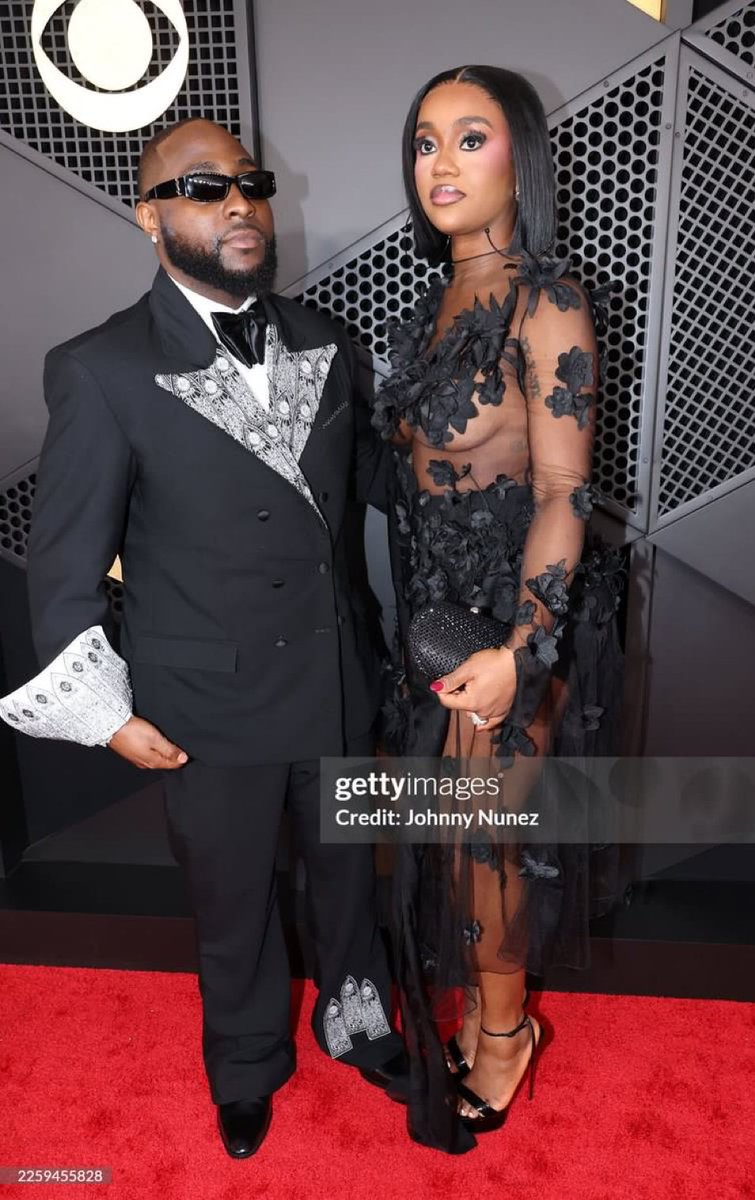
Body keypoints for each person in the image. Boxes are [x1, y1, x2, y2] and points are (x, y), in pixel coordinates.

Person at [0, 117, 409, 1160]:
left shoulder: (327, 340)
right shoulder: (99, 368)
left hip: (335, 676)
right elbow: (65, 561)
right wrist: (105, 715)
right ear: (151, 218)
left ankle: (358, 1025)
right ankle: (244, 1063)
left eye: (249, 183)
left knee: (352, 879)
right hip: (205, 700)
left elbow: (376, 490)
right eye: (200, 188)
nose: (236, 202)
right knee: (232, 903)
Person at [371, 66, 626, 1153]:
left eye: (469, 139)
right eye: (425, 141)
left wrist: (526, 650)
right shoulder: (430, 308)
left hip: (518, 619)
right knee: (447, 841)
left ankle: (508, 1032)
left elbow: (568, 490)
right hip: (433, 616)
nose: (440, 164)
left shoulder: (547, 298)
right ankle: (482, 1012)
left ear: (519, 154)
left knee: (494, 845)